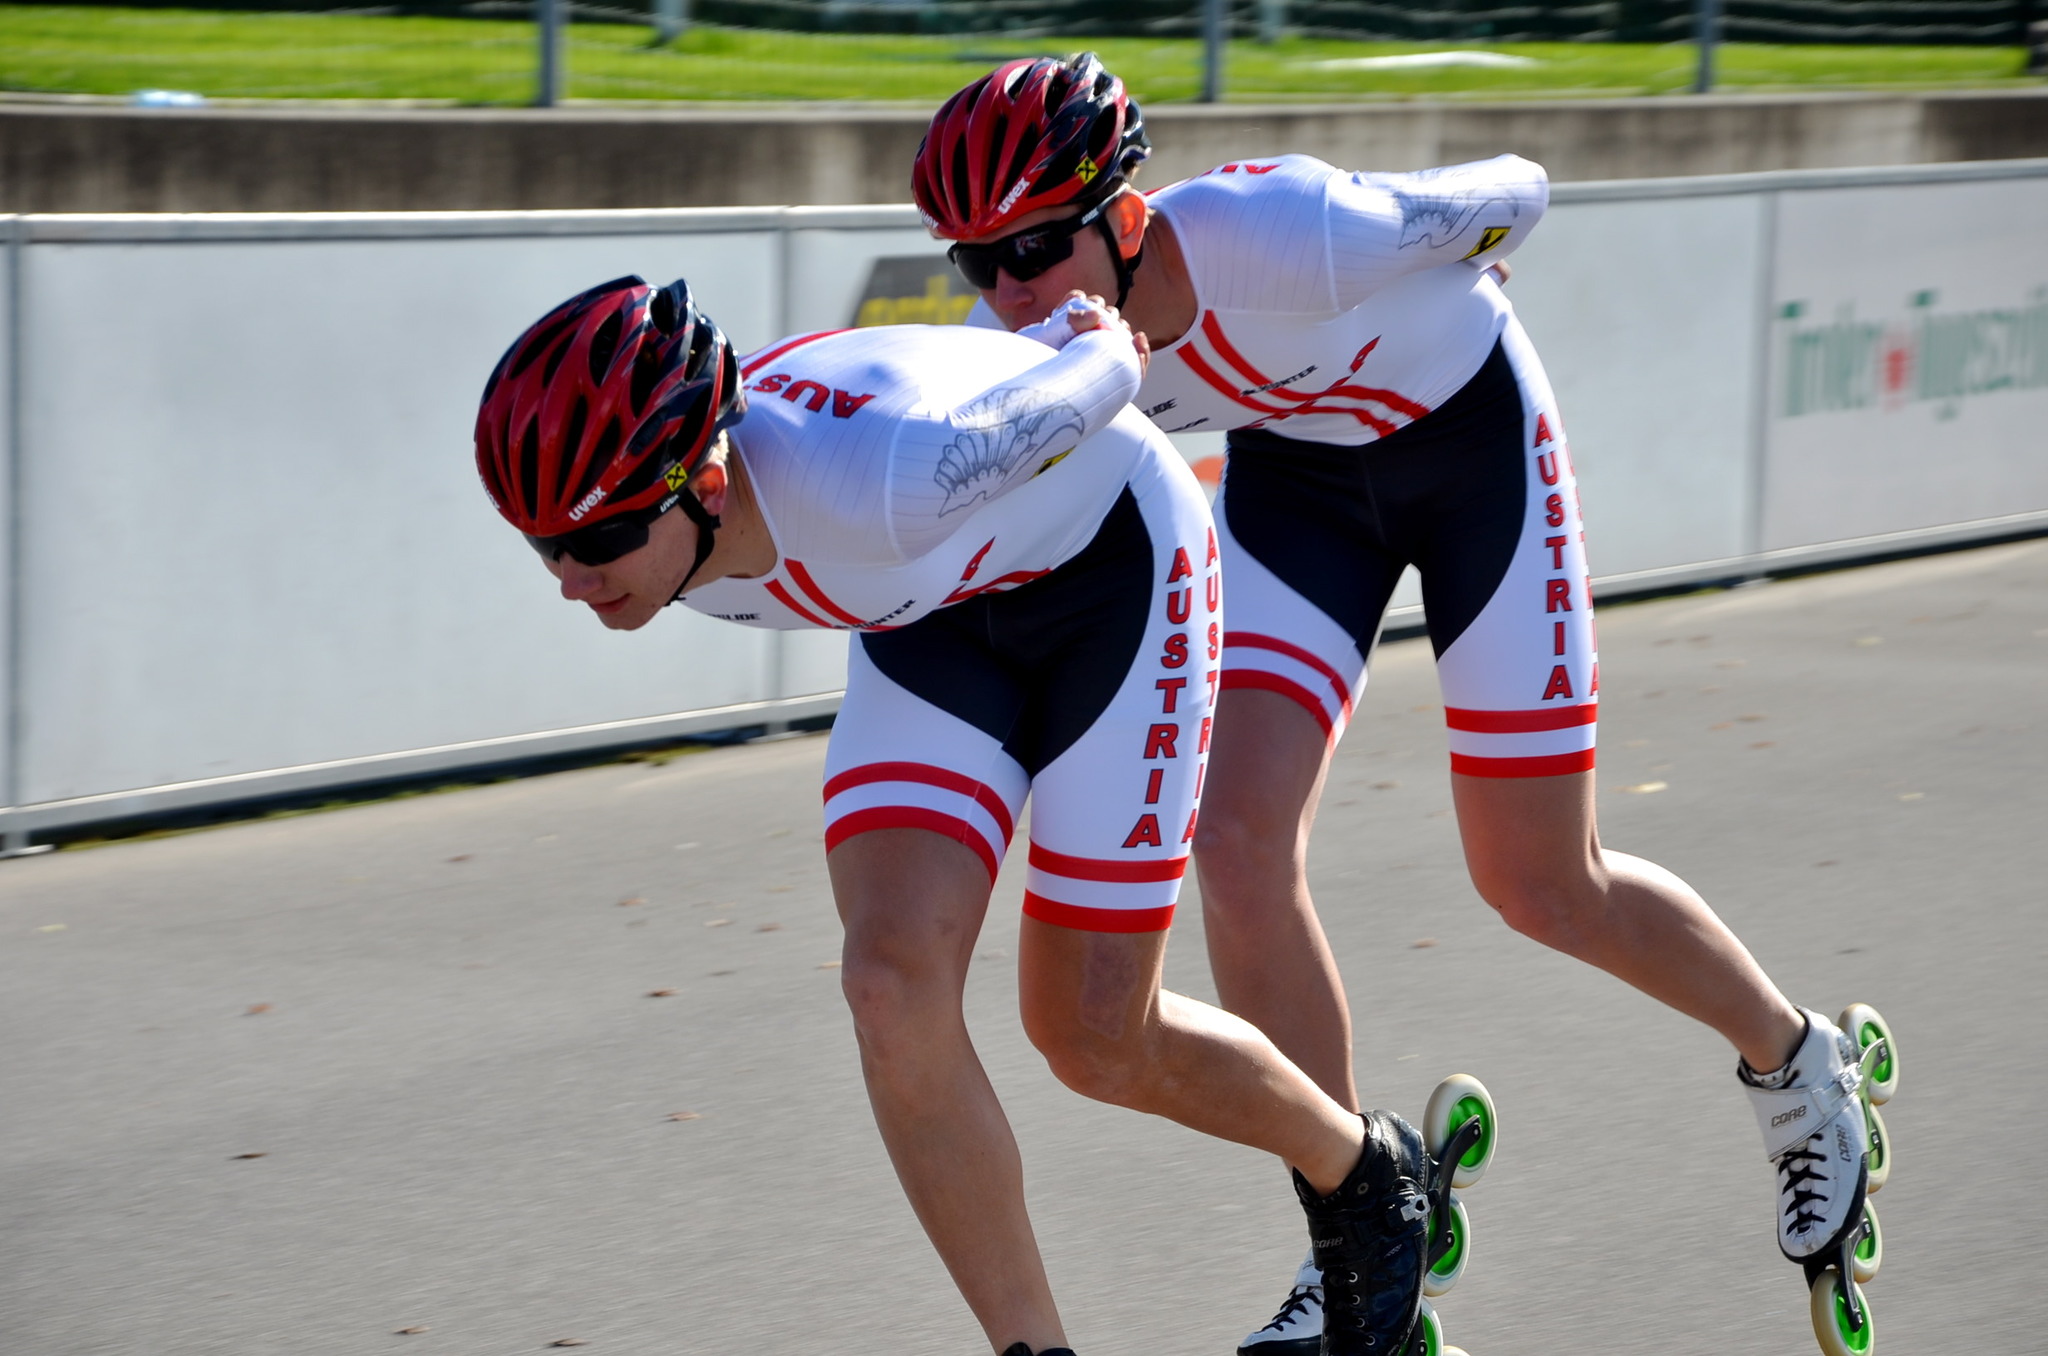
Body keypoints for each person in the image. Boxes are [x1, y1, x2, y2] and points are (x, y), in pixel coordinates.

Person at [914, 53, 1897, 1356]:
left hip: (1470, 445)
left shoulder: (1286, 232)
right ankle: (1356, 1222)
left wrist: (1469, 251)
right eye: (979, 261)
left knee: (1542, 881)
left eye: (1037, 244)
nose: (1012, 288)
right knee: (1235, 843)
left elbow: (1520, 193)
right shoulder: (1026, 352)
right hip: (1301, 495)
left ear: (1128, 218)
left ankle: (1796, 1062)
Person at [472, 274, 1498, 1356]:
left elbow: (1102, 372)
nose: (571, 581)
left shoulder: (879, 477)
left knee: (1094, 1036)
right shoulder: (671, 517)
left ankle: (1365, 1179)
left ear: (710, 481)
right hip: (937, 620)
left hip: (1113, 579)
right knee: (887, 984)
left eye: (600, 541)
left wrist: (1088, 331)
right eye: (542, 546)